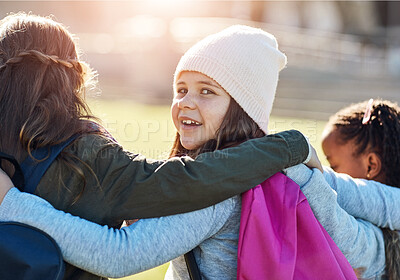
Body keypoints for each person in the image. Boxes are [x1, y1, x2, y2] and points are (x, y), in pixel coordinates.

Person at [0, 13, 314, 280]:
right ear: (68, 80)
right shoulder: (84, 153)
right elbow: (183, 183)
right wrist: (292, 144)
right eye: (181, 89)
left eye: (206, 91)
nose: (186, 102)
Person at [285, 99, 400, 279]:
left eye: (333, 164)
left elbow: (349, 192)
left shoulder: (380, 248)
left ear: (371, 166)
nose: (324, 167)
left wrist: (287, 156)